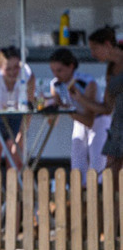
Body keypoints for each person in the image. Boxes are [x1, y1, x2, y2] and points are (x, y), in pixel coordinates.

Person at [0, 45, 35, 225]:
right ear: (0, 67)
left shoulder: (27, 76)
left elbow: (29, 110)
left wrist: (20, 137)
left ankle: (14, 225)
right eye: (8, 69)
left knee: (16, 167)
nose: (13, 72)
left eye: (16, 67)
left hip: (16, 118)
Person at [70, 26, 123, 180]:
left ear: (107, 45)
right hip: (118, 128)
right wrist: (80, 99)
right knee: (111, 176)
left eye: (95, 48)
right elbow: (106, 108)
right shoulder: (111, 70)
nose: (92, 54)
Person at [48, 46, 109, 179]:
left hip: (98, 121)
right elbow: (54, 117)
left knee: (97, 163)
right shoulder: (55, 84)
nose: (56, 75)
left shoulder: (86, 83)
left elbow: (89, 120)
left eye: (59, 70)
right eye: (53, 71)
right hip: (78, 120)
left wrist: (67, 110)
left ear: (71, 66)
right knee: (77, 163)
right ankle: (80, 193)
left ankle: (98, 193)